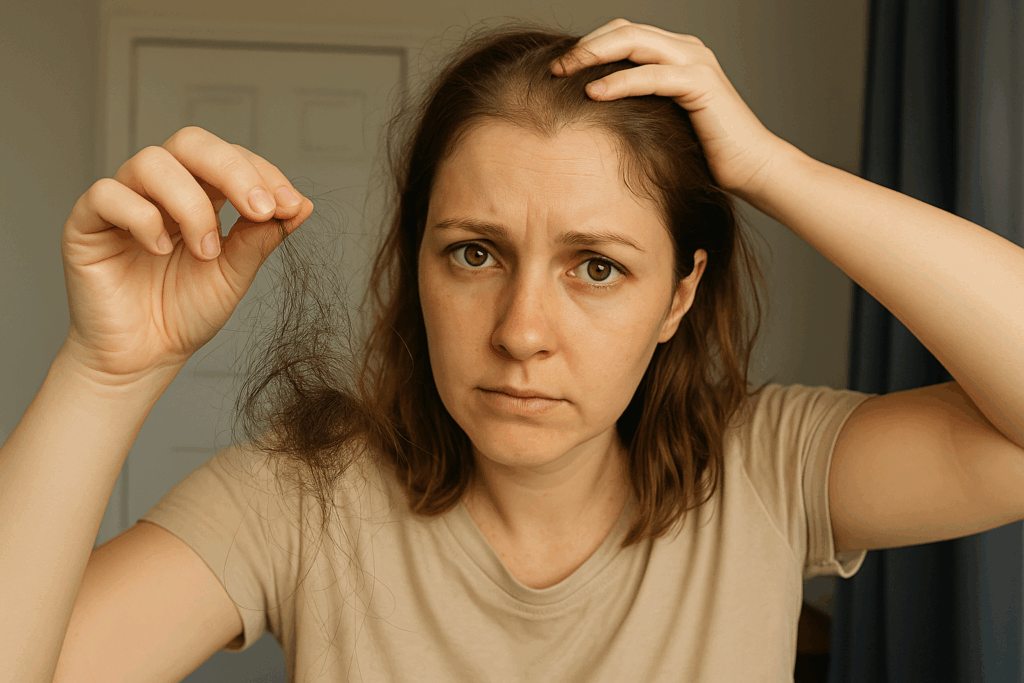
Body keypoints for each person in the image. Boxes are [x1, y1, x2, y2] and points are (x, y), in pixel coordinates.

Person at [4, 17, 1024, 683]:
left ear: (678, 296)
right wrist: (107, 370)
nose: (521, 330)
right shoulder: (295, 498)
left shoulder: (767, 470)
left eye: (597, 266)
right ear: (415, 267)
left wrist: (771, 168)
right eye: (475, 253)